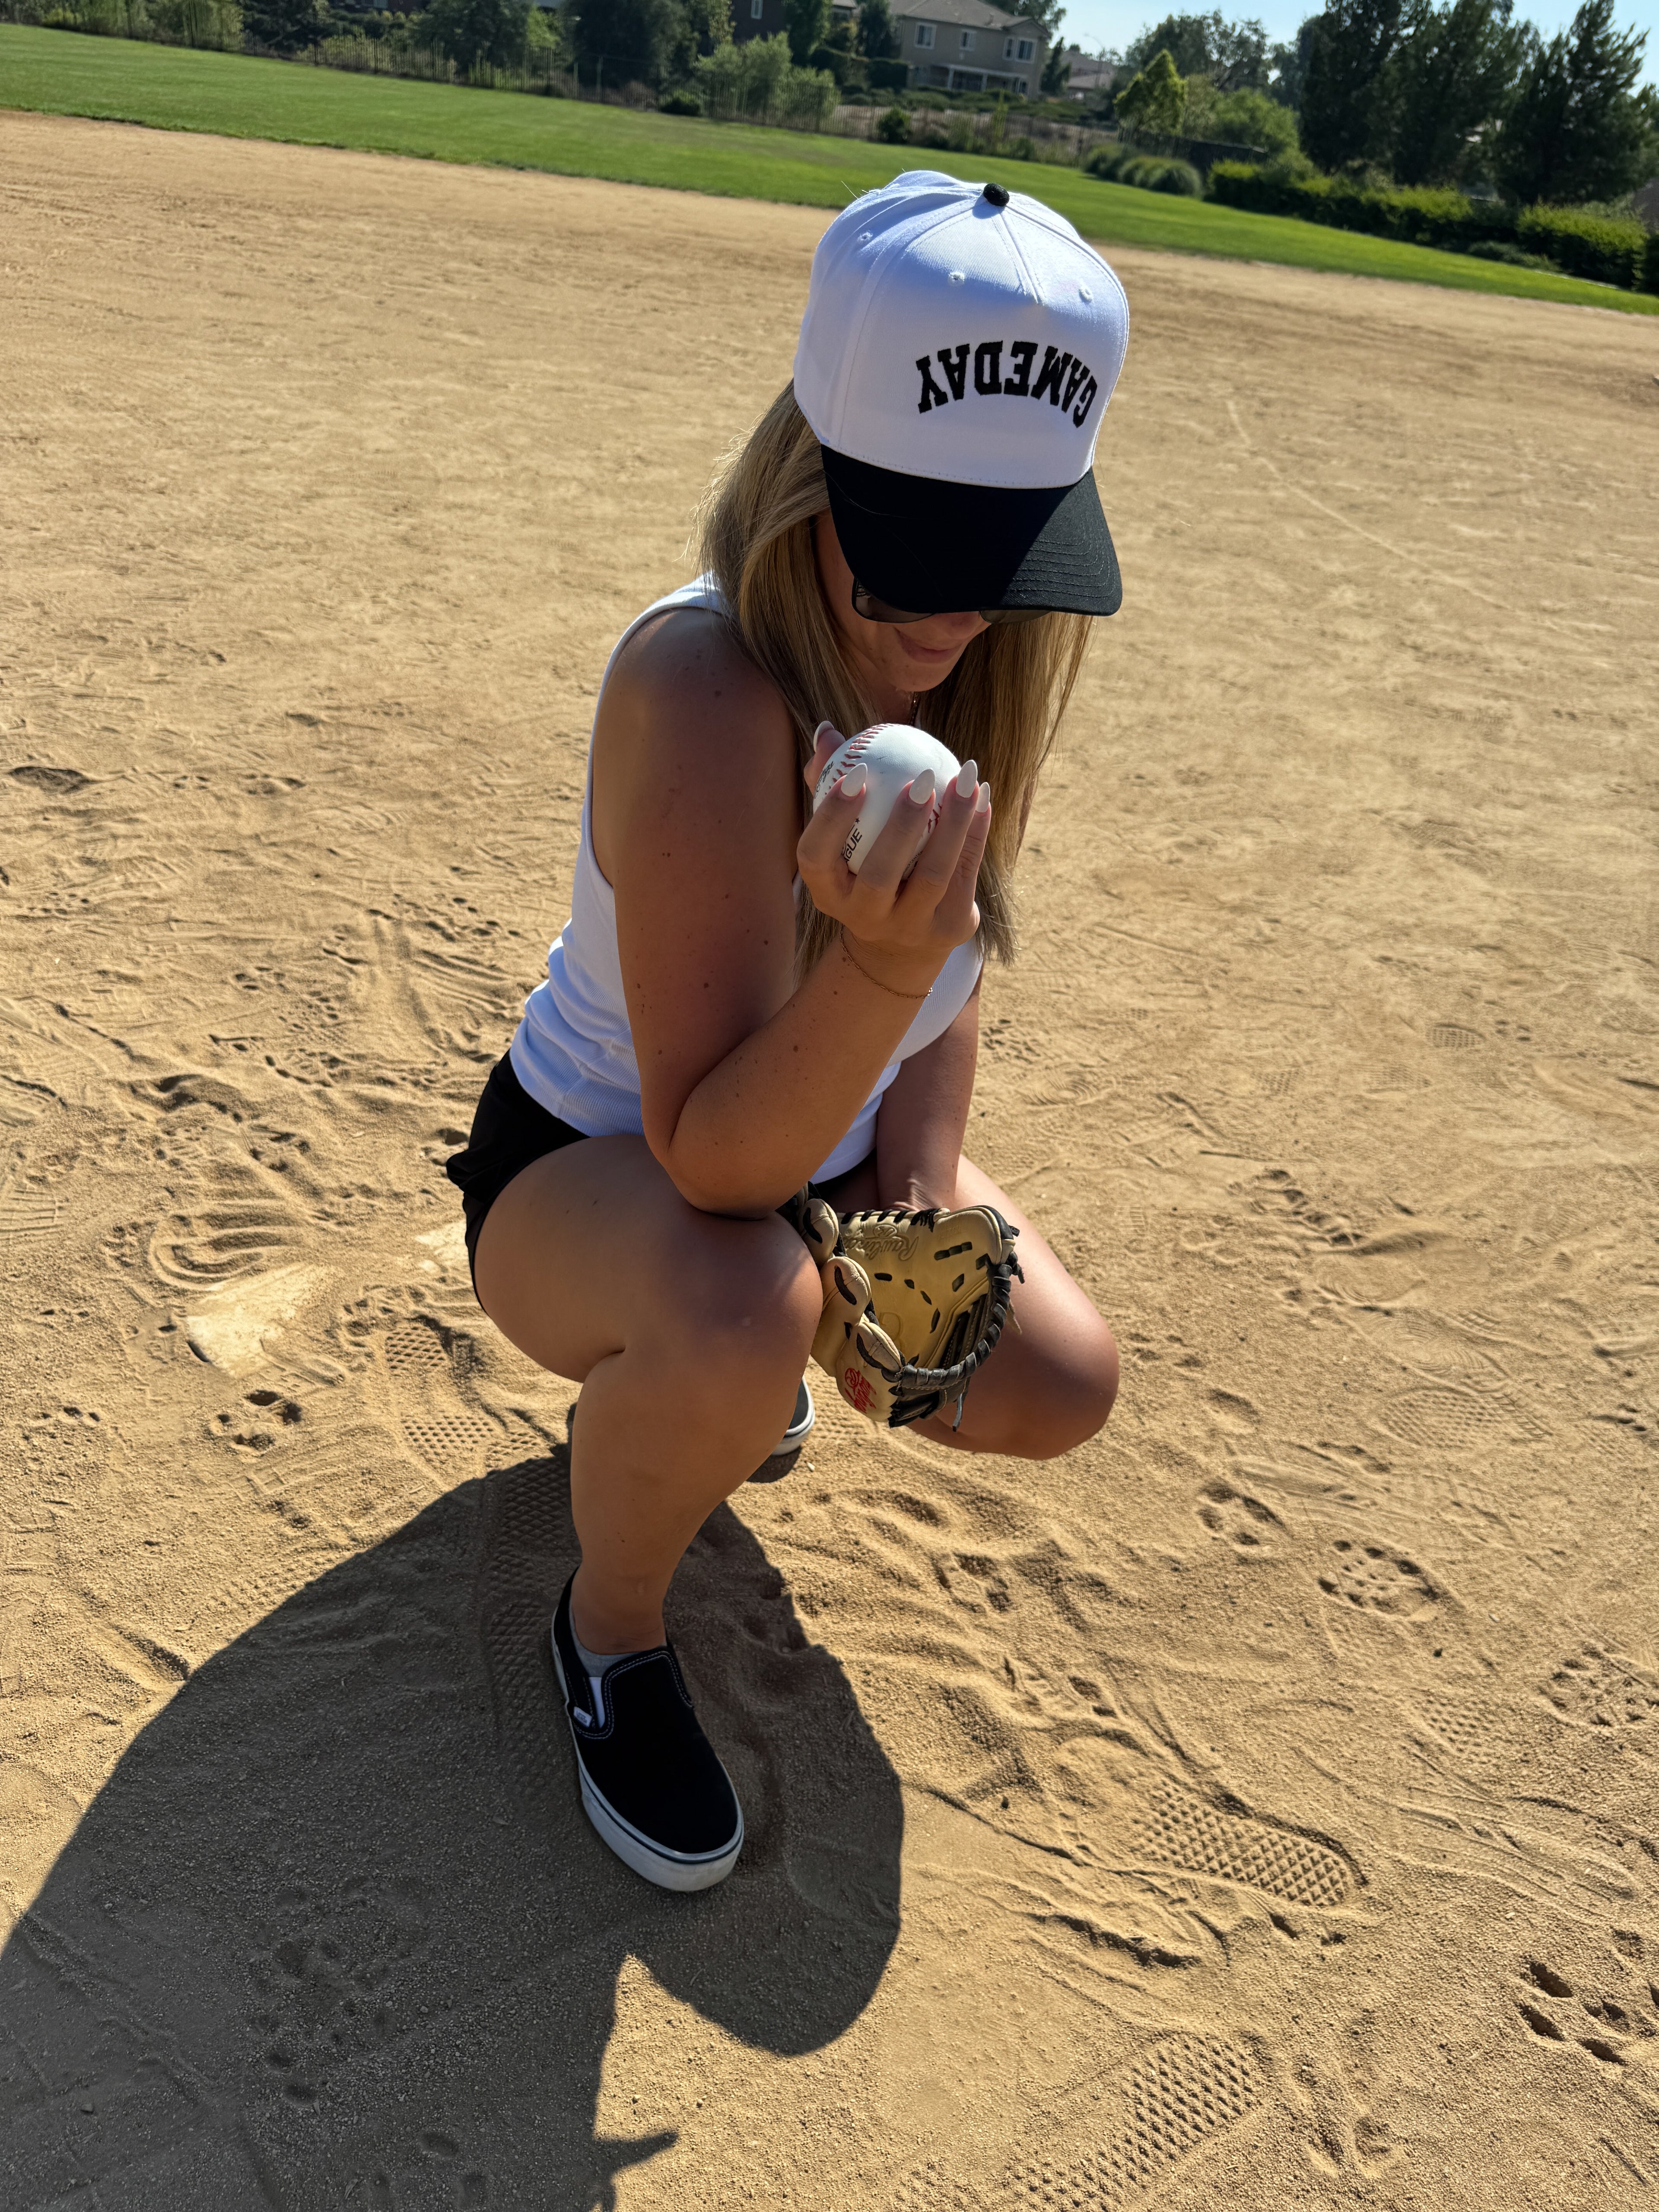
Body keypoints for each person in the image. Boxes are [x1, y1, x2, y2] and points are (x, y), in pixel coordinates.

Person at [446, 171, 1131, 1891]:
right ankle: (610, 1630)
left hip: (802, 1171)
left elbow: (950, 994)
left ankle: (738, 1371)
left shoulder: (959, 683)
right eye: (918, 552)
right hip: (596, 1175)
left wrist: (917, 1182)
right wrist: (881, 976)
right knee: (746, 1295)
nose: (960, 615)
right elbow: (708, 1153)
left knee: (1056, 1376)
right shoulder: (703, 686)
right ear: (806, 479)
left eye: (1008, 561)